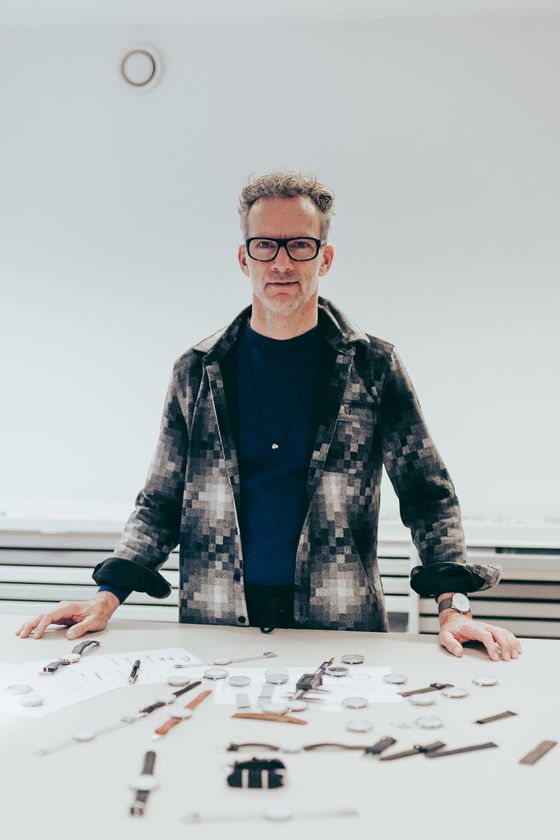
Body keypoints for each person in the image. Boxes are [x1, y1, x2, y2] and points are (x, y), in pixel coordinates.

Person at [17, 171, 521, 662]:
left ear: (325, 257)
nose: (281, 262)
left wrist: (454, 608)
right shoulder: (198, 370)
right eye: (265, 245)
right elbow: (161, 502)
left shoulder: (373, 367)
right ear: (244, 258)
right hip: (215, 625)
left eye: (299, 245)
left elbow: (428, 496)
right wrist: (106, 597)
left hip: (340, 625)